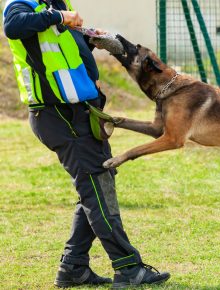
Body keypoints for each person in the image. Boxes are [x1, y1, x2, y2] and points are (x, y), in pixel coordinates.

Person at [3, 0, 170, 288]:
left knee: (96, 186)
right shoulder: (24, 3)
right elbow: (13, 26)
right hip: (58, 114)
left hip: (80, 111)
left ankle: (74, 267)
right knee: (97, 187)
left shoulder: (56, 3)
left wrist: (92, 40)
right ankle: (128, 267)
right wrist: (60, 16)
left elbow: (65, 51)